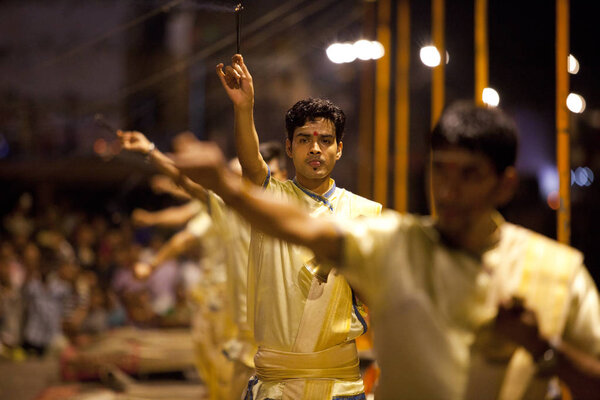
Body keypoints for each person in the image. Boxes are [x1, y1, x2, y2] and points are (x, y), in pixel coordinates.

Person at [174, 102, 600, 400]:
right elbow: (297, 224)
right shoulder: (395, 244)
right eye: (440, 171)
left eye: (469, 175)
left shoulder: (555, 271)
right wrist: (226, 183)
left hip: (335, 381)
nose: (449, 191)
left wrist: (543, 349)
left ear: (505, 184)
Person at [215, 55, 381, 400]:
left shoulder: (366, 213)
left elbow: (377, 297)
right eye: (304, 139)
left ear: (339, 149)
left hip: (341, 385)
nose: (315, 148)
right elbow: (250, 163)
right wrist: (244, 108)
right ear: (289, 148)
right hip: (276, 385)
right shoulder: (270, 200)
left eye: (325, 140)